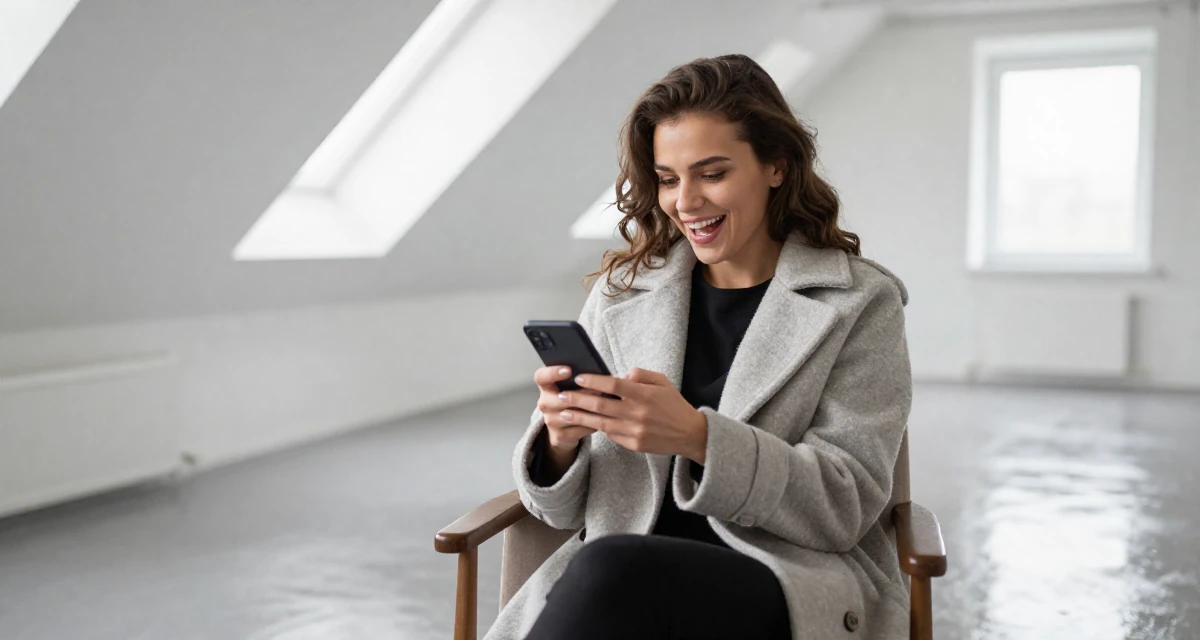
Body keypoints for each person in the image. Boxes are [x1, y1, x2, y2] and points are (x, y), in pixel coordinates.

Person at [485, 53, 913, 640]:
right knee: (610, 569)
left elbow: (844, 504)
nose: (685, 202)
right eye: (667, 179)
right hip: (616, 588)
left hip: (779, 581)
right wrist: (559, 442)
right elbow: (557, 513)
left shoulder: (859, 302)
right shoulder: (622, 296)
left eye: (711, 174)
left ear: (776, 167)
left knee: (614, 567)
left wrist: (697, 438)